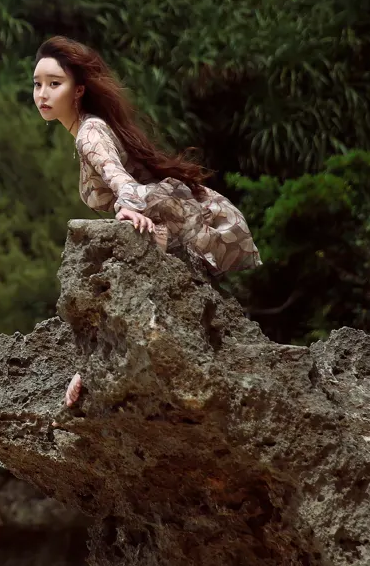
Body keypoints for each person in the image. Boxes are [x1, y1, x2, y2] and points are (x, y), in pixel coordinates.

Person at [33, 36, 263, 413]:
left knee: (113, 285)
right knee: (125, 296)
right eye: (38, 84)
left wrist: (127, 207)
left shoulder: (89, 134)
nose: (42, 94)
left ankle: (90, 370)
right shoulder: (92, 127)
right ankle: (93, 369)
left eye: (54, 83)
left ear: (79, 90)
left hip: (180, 225)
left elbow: (119, 178)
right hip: (179, 222)